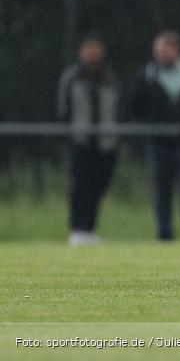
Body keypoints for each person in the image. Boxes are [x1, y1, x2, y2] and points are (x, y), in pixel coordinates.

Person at [132, 30, 180, 241]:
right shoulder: (148, 75)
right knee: (162, 190)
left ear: (176, 49)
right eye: (158, 50)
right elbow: (136, 106)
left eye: (165, 49)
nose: (161, 54)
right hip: (160, 143)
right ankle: (164, 234)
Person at [57, 34, 121, 246]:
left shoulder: (109, 78)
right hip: (80, 142)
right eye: (89, 49)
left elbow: (117, 109)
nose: (93, 54)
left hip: (104, 143)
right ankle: (77, 230)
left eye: (96, 49)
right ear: (81, 52)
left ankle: (90, 229)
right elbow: (63, 109)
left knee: (98, 187)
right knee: (80, 187)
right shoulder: (71, 77)